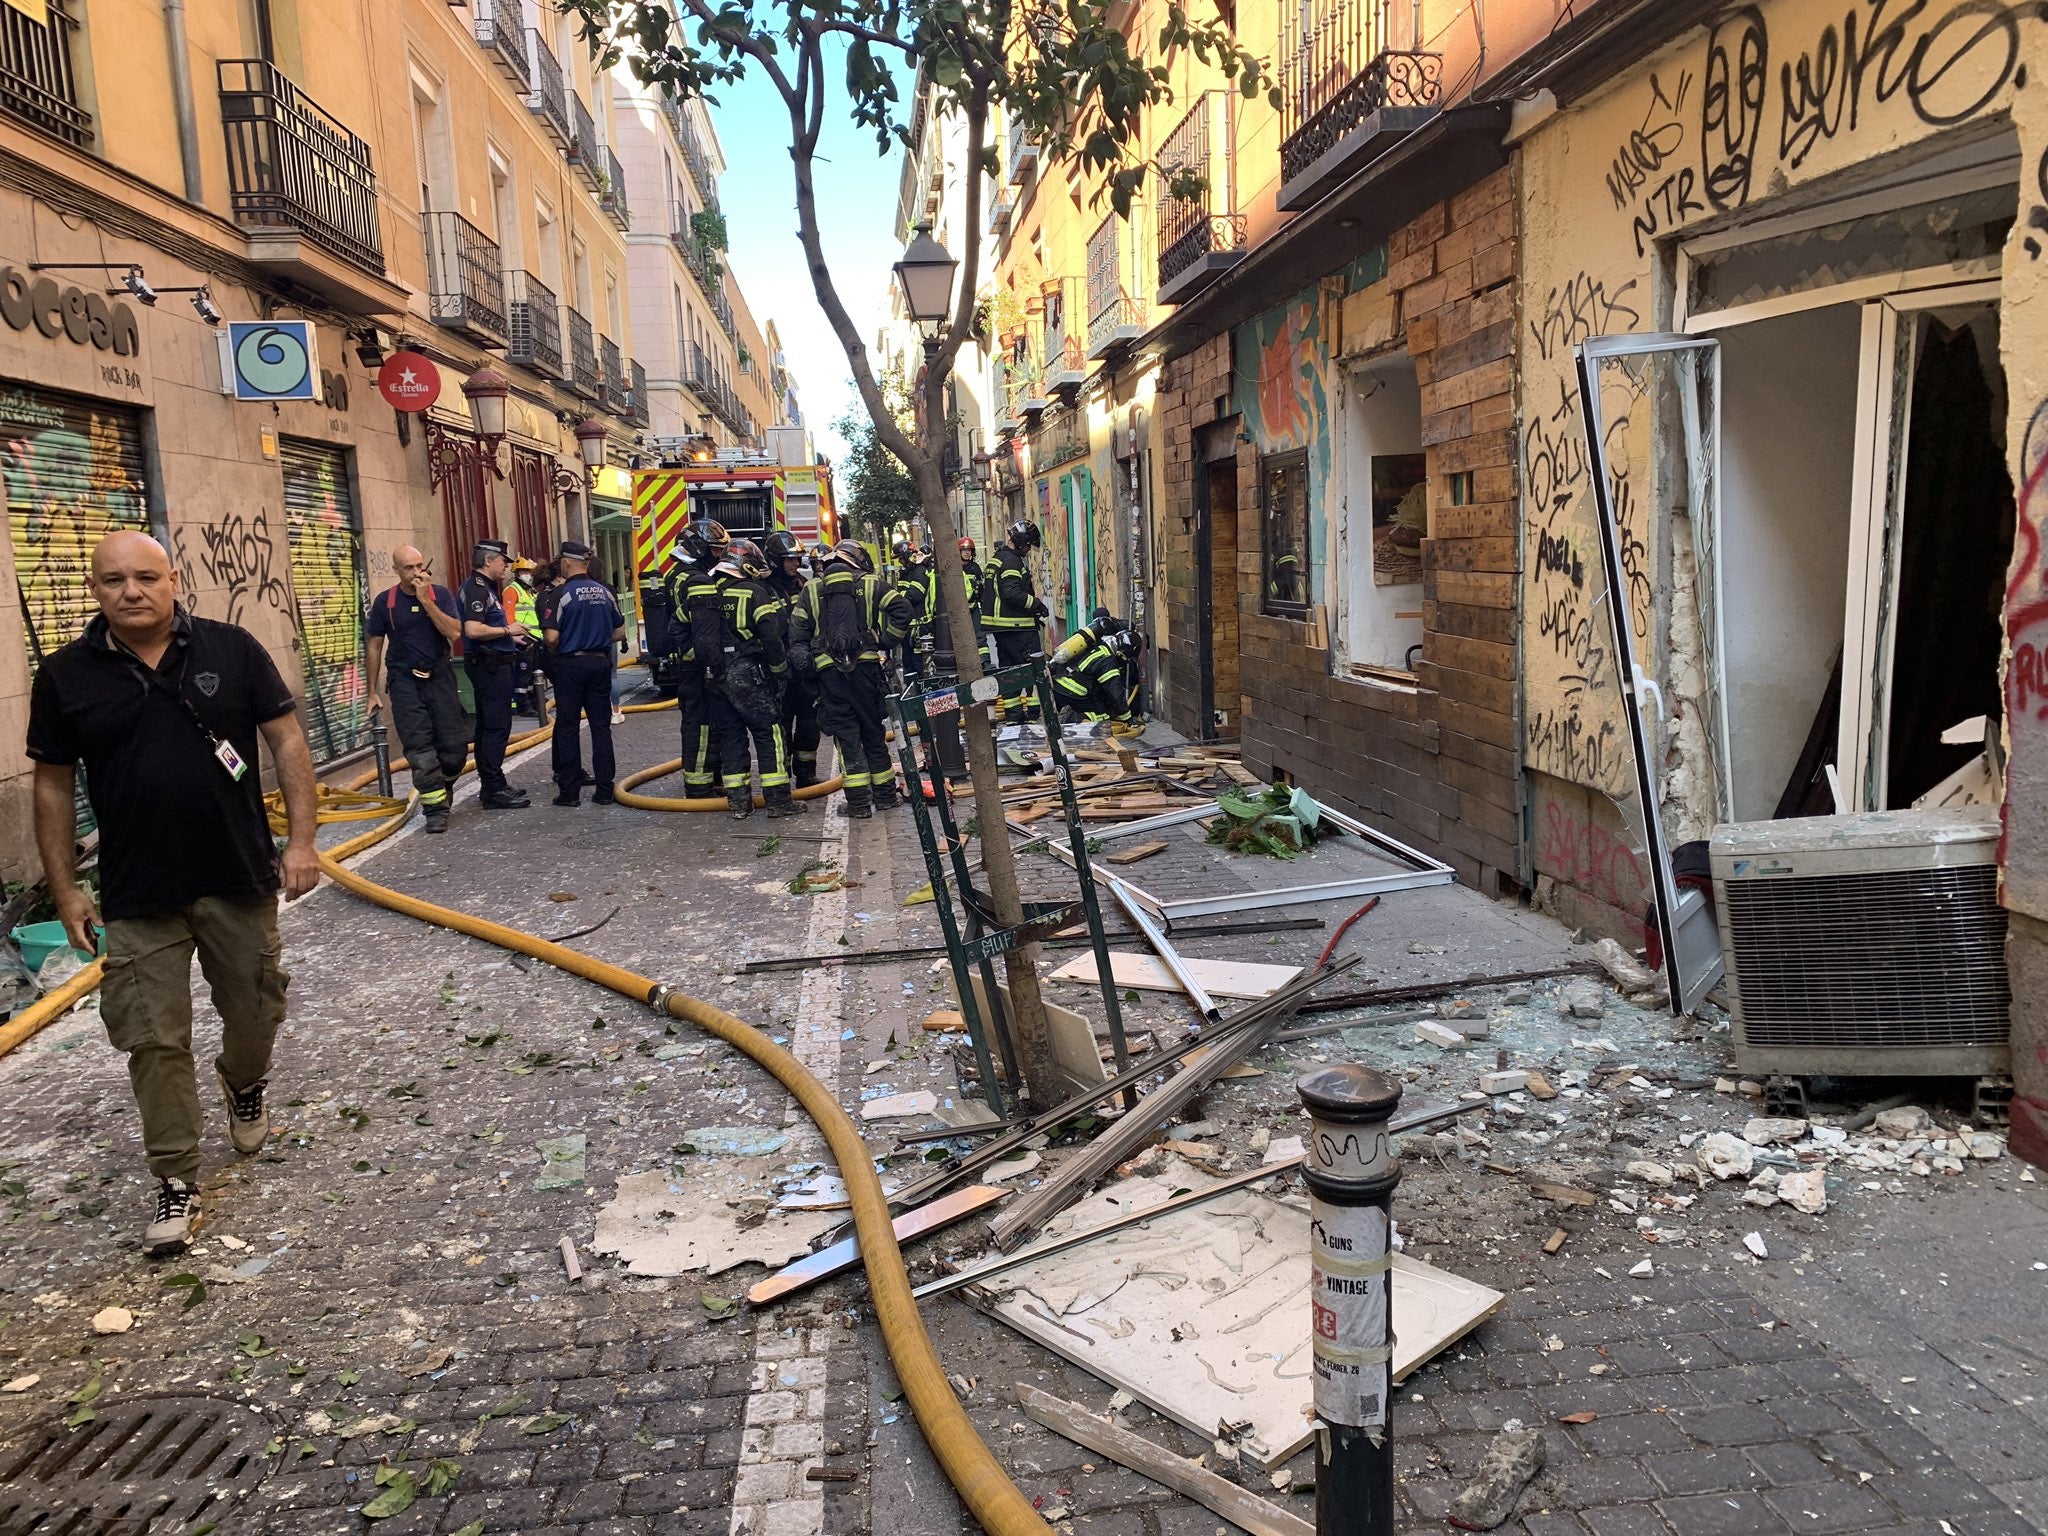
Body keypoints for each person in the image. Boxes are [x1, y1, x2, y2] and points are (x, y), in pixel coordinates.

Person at [25, 531, 319, 1255]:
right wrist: (66, 891)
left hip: (236, 874)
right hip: (136, 892)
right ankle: (176, 1178)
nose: (132, 592)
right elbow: (53, 785)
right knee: (154, 1041)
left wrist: (304, 842)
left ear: (175, 579)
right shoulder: (65, 676)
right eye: (115, 580)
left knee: (255, 1012)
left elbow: (286, 741)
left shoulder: (232, 649)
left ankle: (243, 1083)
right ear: (94, 589)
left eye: (147, 577)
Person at [788, 541, 911, 818]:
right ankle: (885, 797)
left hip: (830, 677)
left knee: (846, 737)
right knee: (872, 732)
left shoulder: (811, 589)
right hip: (866, 673)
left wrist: (810, 667)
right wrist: (884, 641)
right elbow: (903, 610)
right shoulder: (871, 584)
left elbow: (796, 635)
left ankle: (858, 804)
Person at [364, 545, 468, 834]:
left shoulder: (441, 595)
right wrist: (371, 691)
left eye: (420, 565)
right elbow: (373, 646)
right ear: (396, 570)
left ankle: (442, 785)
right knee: (420, 748)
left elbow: (454, 633)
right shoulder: (386, 602)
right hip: (404, 681)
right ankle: (434, 811)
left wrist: (426, 601)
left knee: (454, 748)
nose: (416, 572)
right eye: (409, 568)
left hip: (440, 677)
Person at [695, 538, 800, 820]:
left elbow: (682, 628)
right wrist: (780, 672)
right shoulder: (754, 593)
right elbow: (772, 636)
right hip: (748, 674)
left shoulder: (705, 591)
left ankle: (739, 804)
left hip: (714, 676)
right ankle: (778, 801)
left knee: (731, 738)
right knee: (770, 733)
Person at [542, 540, 625, 807]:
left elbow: (552, 638)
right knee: (601, 727)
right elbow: (620, 632)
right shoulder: (604, 592)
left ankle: (569, 793)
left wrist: (570, 640)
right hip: (600, 663)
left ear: (566, 563)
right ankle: (604, 790)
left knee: (567, 727)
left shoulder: (560, 594)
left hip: (571, 666)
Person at [459, 539, 530, 809]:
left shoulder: (486, 589)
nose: (506, 567)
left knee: (493, 726)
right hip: (488, 665)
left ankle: (494, 783)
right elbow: (473, 630)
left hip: (495, 661)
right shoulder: (476, 589)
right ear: (488, 561)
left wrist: (512, 639)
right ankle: (493, 787)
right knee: (495, 727)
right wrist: (506, 632)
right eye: (503, 561)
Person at [664, 519, 729, 799]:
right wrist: (713, 665)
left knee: (699, 722)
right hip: (697, 665)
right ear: (699, 547)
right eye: (715, 550)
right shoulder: (695, 579)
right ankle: (700, 785)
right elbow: (703, 630)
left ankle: (707, 778)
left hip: (687, 662)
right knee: (702, 724)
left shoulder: (676, 574)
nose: (720, 555)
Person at [763, 530, 822, 788]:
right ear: (775, 560)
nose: (795, 564)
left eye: (797, 559)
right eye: (789, 559)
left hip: (804, 669)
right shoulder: (763, 590)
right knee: (782, 727)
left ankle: (806, 774)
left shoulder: (802, 585)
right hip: (779, 673)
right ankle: (782, 776)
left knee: (810, 725)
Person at [985, 520, 1049, 716]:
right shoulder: (1012, 561)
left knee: (1008, 672)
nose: (1029, 549)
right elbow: (1011, 593)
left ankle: (1014, 715)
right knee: (1031, 670)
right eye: (1028, 544)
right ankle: (1033, 713)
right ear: (1022, 542)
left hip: (1002, 629)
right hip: (1017, 626)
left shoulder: (998, 558)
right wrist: (1037, 604)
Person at [1050, 611, 1145, 735]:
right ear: (1123, 652)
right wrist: (1126, 718)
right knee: (1102, 718)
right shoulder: (1108, 661)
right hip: (1074, 691)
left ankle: (1067, 718)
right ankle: (1072, 720)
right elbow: (1114, 692)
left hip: (1057, 683)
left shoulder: (1097, 645)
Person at [892, 537, 935, 689]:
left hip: (920, 627)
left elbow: (914, 595)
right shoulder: (906, 573)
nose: (900, 563)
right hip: (908, 627)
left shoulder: (919, 571)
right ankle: (913, 695)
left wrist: (897, 598)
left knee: (919, 664)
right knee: (908, 664)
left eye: (901, 559)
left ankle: (921, 695)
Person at [505, 557, 545, 720]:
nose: (529, 576)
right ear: (519, 573)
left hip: (535, 638)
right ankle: (523, 705)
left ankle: (536, 700)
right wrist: (515, 636)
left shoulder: (530, 591)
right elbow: (508, 615)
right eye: (526, 572)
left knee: (533, 672)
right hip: (523, 639)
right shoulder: (512, 590)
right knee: (523, 674)